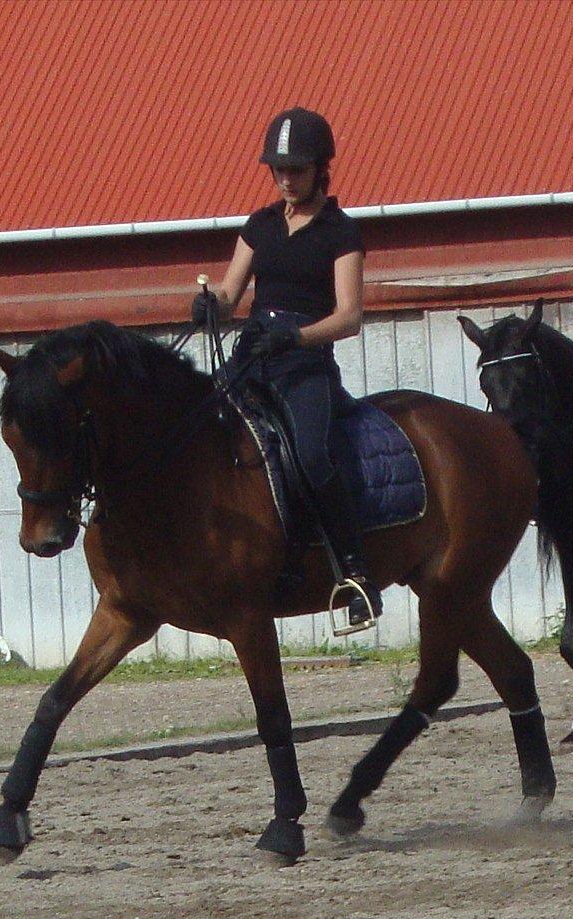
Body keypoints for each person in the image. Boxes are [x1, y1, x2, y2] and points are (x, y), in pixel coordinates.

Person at [191, 107, 382, 627]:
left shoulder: (341, 232)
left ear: (321, 168)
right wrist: (212, 307)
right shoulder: (260, 225)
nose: (285, 179)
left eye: (295, 169)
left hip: (306, 363)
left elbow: (349, 316)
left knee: (314, 456)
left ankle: (356, 575)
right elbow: (230, 292)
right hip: (254, 355)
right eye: (278, 169)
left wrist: (296, 334)